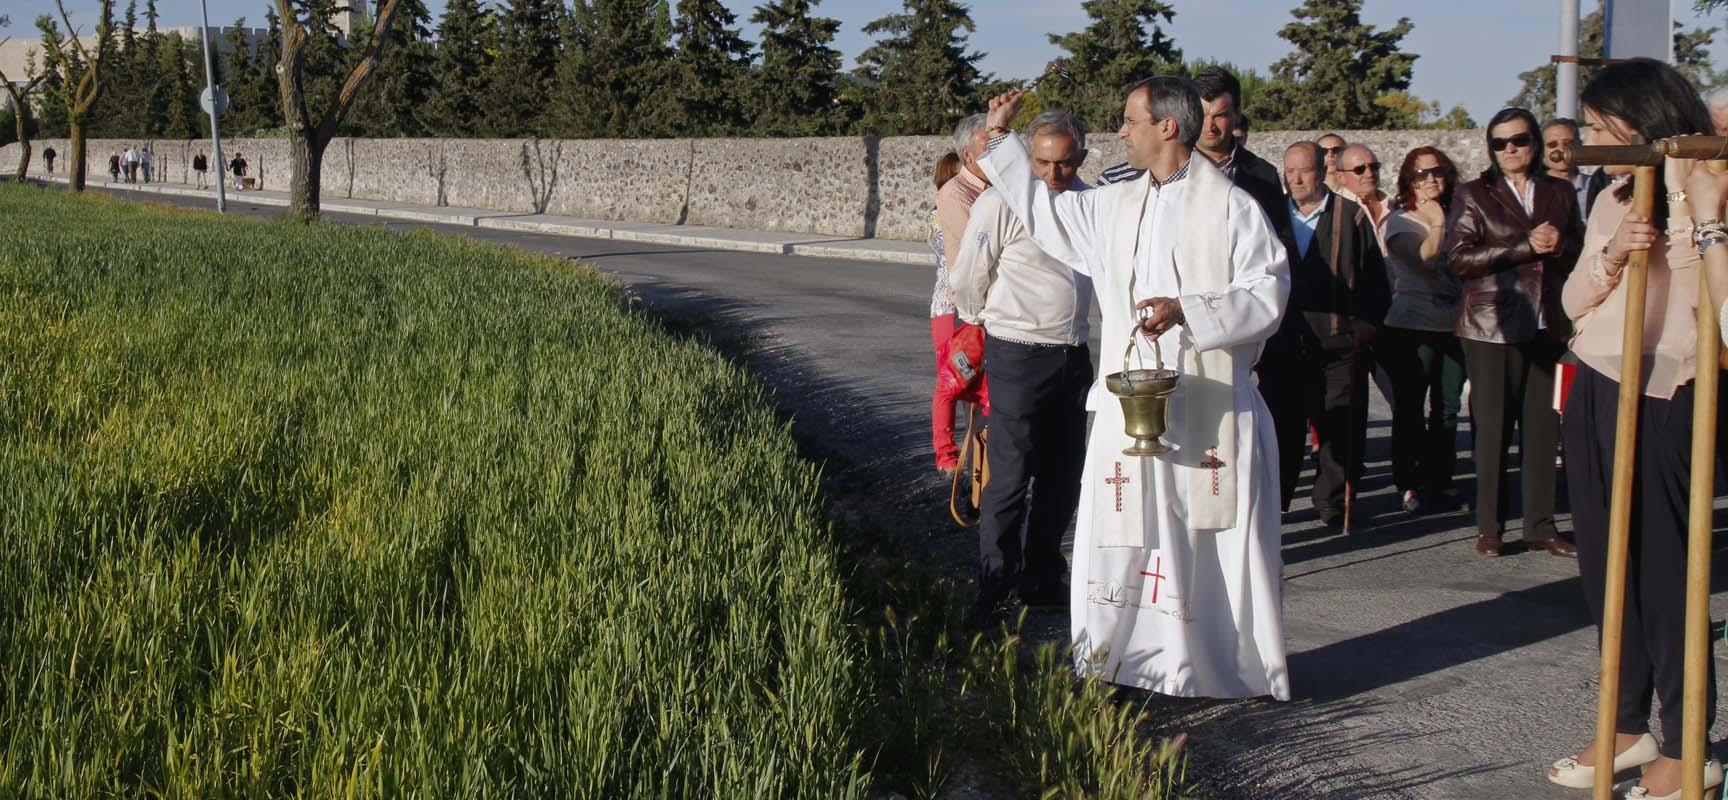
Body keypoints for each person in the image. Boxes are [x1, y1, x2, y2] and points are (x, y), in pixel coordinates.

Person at [977, 77, 1292, 699]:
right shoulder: (1113, 205)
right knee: (1124, 528)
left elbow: (1268, 293)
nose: (1120, 132)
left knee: (1192, 530)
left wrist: (1190, 310)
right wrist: (1000, 138)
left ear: (1167, 127)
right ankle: (1120, 662)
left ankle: (1209, 665)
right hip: (1132, 406)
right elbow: (1043, 211)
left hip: (1207, 408)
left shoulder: (1230, 208)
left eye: (1129, 120)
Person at [1548, 57, 1726, 800]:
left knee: (1664, 575)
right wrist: (1616, 255)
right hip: (1596, 381)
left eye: (1599, 126)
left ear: (1644, 118)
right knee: (1605, 568)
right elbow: (1573, 304)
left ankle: (1690, 747)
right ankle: (1624, 725)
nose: (1590, 140)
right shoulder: (1613, 194)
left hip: (1667, 391)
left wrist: (1698, 215)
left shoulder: (1709, 187)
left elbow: (1714, 313)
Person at [950, 110, 1095, 617]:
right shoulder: (998, 202)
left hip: (1073, 353)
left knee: (1063, 474)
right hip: (1016, 351)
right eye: (1042, 162)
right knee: (1009, 475)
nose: (1053, 174)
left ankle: (1041, 574)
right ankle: (994, 581)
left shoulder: (1089, 201)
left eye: (1065, 164)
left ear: (1081, 156)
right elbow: (968, 275)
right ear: (1028, 156)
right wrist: (978, 321)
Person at [1444, 106, 1584, 558]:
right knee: (1492, 430)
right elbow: (1459, 259)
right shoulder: (1472, 194)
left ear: (1535, 142)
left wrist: (1559, 245)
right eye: (1500, 143)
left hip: (1548, 325)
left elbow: (1580, 249)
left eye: (1519, 140)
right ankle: (1490, 526)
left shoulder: (1560, 192)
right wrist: (1524, 246)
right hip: (1491, 325)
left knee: (1544, 430)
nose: (1510, 150)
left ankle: (1541, 525)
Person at [1257, 141, 1390, 529]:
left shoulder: (1351, 217)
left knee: (1338, 428)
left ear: (1322, 170)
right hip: (1284, 344)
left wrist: (1363, 330)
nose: (1296, 178)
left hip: (1338, 343)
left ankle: (1332, 502)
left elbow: (1375, 284)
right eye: (1290, 171)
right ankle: (1274, 501)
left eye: (1304, 170)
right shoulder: (1270, 217)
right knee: (1282, 426)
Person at [1379, 147, 1466, 514]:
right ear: (1408, 181)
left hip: (1454, 326)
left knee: (1447, 409)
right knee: (1410, 409)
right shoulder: (1399, 222)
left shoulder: (1461, 215)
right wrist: (1438, 222)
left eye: (1437, 172)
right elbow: (1427, 260)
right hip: (1411, 327)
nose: (1430, 180)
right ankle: (1408, 483)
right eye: (1420, 174)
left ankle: (1440, 481)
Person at [931, 116, 992, 472]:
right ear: (967, 155)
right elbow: (980, 251)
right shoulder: (954, 194)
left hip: (987, 308)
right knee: (953, 380)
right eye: (989, 149)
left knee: (986, 387)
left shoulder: (996, 190)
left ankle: (982, 462)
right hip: (955, 307)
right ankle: (946, 455)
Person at [1190, 66, 1284, 224]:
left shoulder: (1265, 176)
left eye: (1220, 116)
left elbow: (1280, 239)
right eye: (1202, 115)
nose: (1209, 126)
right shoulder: (1171, 168)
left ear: (1237, 114)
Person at [1336, 144, 1392, 241]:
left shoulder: (1394, 206)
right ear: (1341, 177)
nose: (1369, 174)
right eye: (1359, 170)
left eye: (1374, 167)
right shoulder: (1334, 212)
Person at [1543, 118, 1592, 221]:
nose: (1560, 150)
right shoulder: (1532, 188)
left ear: (1579, 145)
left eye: (1567, 144)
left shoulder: (1595, 186)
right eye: (1552, 145)